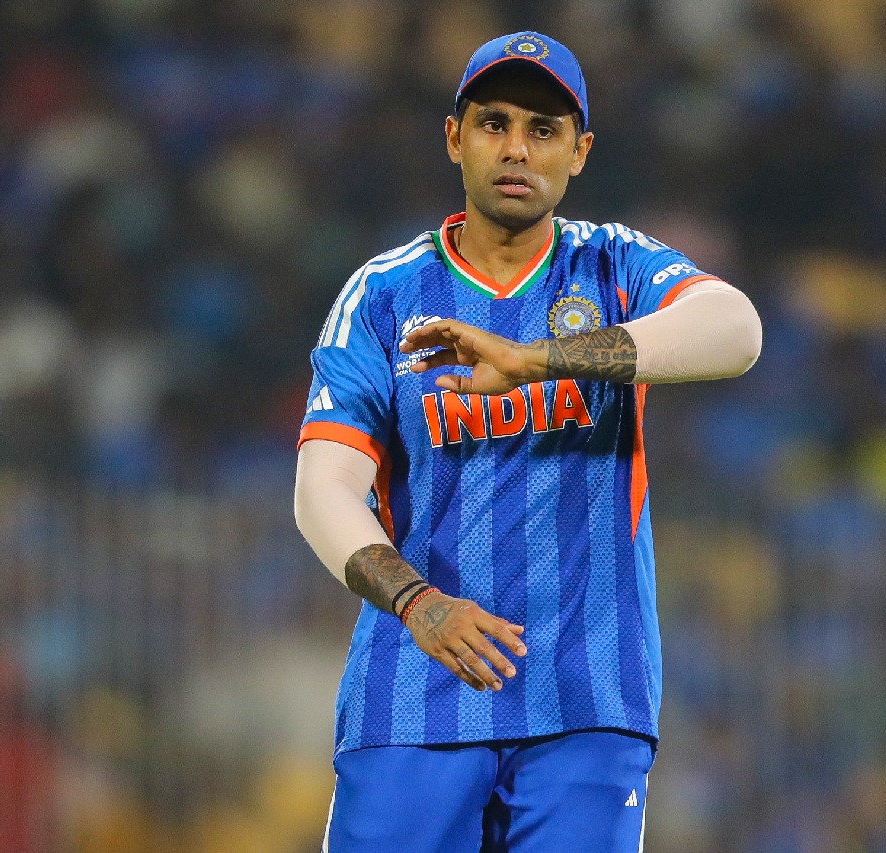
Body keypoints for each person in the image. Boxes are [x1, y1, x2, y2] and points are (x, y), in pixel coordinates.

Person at [294, 30, 761, 852]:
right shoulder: (383, 294)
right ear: (455, 138)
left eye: (544, 129)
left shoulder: (615, 266)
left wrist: (533, 358)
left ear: (579, 153)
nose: (517, 148)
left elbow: (736, 329)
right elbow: (321, 489)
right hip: (414, 696)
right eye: (495, 123)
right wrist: (419, 603)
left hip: (586, 701)